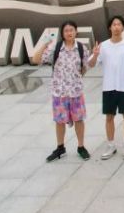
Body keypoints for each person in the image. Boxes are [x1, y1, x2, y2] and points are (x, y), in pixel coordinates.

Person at [33, 20, 96, 162]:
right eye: (66, 30)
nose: (69, 33)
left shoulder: (81, 48)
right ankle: (60, 147)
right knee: (60, 121)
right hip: (59, 93)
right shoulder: (56, 49)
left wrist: (95, 55)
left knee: (79, 120)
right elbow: (35, 59)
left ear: (76, 31)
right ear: (62, 33)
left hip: (76, 92)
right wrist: (44, 44)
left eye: (71, 30)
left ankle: (81, 147)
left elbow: (86, 66)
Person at [97, 15, 124, 160]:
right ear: (110, 27)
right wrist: (94, 54)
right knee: (109, 117)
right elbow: (92, 63)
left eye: (119, 24)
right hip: (108, 87)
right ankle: (111, 145)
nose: (116, 27)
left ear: (123, 27)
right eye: (114, 24)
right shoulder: (103, 46)